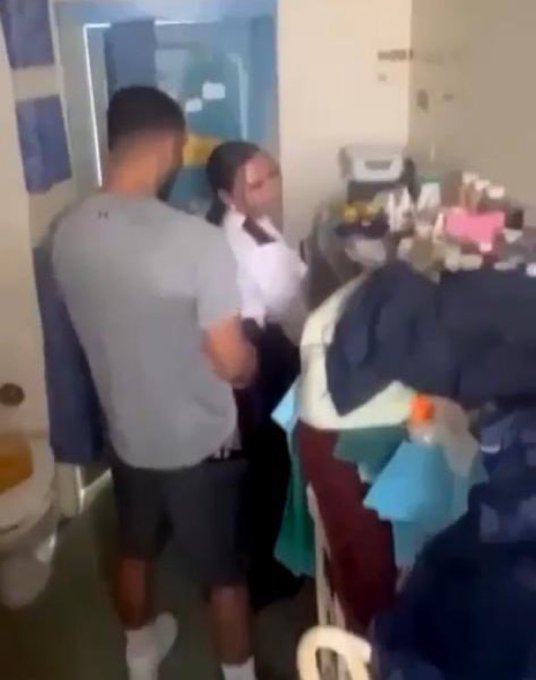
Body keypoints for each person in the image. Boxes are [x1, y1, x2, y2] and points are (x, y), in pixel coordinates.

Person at [53, 87, 258, 680]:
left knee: (135, 547)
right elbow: (231, 363)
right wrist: (249, 360)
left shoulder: (69, 232)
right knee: (224, 575)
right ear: (172, 144)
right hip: (200, 441)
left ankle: (140, 658)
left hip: (126, 431)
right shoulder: (197, 241)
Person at [206, 142, 306, 610]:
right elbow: (289, 306)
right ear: (229, 196)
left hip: (252, 345)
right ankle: (270, 574)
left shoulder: (241, 224)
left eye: (272, 175)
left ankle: (260, 562)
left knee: (265, 461)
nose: (271, 188)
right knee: (274, 461)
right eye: (256, 184)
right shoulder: (253, 242)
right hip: (260, 352)